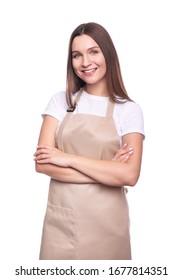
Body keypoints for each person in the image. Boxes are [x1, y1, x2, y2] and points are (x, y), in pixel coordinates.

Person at [34, 22, 145, 260]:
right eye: (77, 55)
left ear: (108, 54)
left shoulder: (129, 110)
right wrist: (107, 171)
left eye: (93, 51)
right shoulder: (60, 102)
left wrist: (65, 158)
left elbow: (130, 176)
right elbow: (42, 164)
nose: (85, 63)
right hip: (62, 225)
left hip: (108, 226)